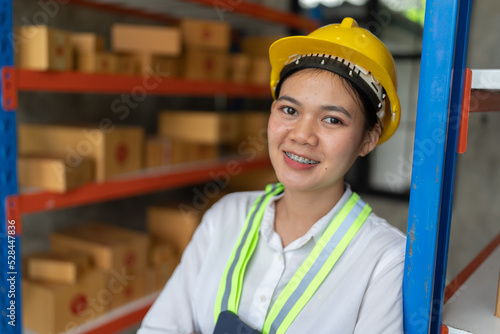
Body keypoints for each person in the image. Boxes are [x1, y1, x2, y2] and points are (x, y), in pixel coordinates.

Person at [137, 17, 405, 334]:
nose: (302, 135)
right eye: (289, 110)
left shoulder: (385, 259)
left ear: (367, 139)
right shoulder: (226, 217)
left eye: (332, 119)